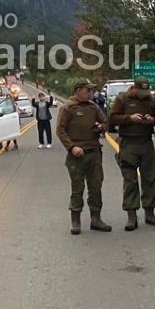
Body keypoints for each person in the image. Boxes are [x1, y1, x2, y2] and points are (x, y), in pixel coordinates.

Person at [56, 79, 112, 234]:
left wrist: (101, 127)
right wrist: (72, 147)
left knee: (96, 186)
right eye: (88, 90)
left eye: (92, 91)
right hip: (77, 155)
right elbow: (60, 130)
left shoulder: (93, 107)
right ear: (78, 90)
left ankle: (96, 218)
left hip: (94, 152)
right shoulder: (68, 108)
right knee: (77, 188)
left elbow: (106, 122)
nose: (91, 93)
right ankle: (76, 220)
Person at [108, 77, 155, 231]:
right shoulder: (122, 99)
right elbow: (112, 118)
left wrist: (153, 120)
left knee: (150, 178)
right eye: (141, 91)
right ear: (134, 88)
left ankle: (150, 212)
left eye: (146, 92)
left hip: (146, 142)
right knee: (130, 180)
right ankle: (131, 216)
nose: (144, 95)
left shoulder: (152, 100)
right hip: (128, 143)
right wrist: (129, 118)